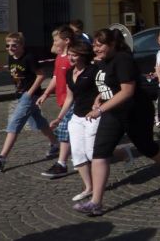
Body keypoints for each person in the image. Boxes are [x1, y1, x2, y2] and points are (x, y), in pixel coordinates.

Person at [73, 29, 160, 216]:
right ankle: (96, 202)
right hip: (113, 113)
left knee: (146, 146)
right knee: (100, 152)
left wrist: (99, 110)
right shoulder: (103, 61)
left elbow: (127, 91)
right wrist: (100, 96)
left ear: (112, 44)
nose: (96, 49)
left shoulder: (123, 60)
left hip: (135, 111)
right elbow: (108, 84)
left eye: (100, 45)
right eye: (94, 45)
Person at [0, 32, 58, 172]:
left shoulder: (29, 57)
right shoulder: (11, 57)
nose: (10, 48)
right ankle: (56, 144)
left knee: (14, 123)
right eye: (8, 45)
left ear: (21, 45)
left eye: (14, 45)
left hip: (29, 96)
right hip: (21, 94)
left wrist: (29, 93)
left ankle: (1, 158)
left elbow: (41, 75)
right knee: (39, 121)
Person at [58, 40, 99, 201]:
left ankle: (123, 153)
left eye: (74, 55)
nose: (70, 58)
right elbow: (69, 97)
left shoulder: (93, 70)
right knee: (77, 154)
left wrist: (98, 101)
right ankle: (89, 187)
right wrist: (59, 117)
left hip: (93, 116)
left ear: (82, 56)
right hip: (76, 117)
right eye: (69, 54)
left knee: (91, 153)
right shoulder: (69, 73)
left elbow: (104, 88)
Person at [37, 25, 75, 178]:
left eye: (56, 39)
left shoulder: (72, 58)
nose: (53, 42)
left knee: (64, 131)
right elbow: (55, 77)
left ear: (66, 41)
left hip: (73, 100)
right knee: (76, 133)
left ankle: (62, 163)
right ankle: (122, 152)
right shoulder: (60, 57)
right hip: (62, 98)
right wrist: (46, 93)